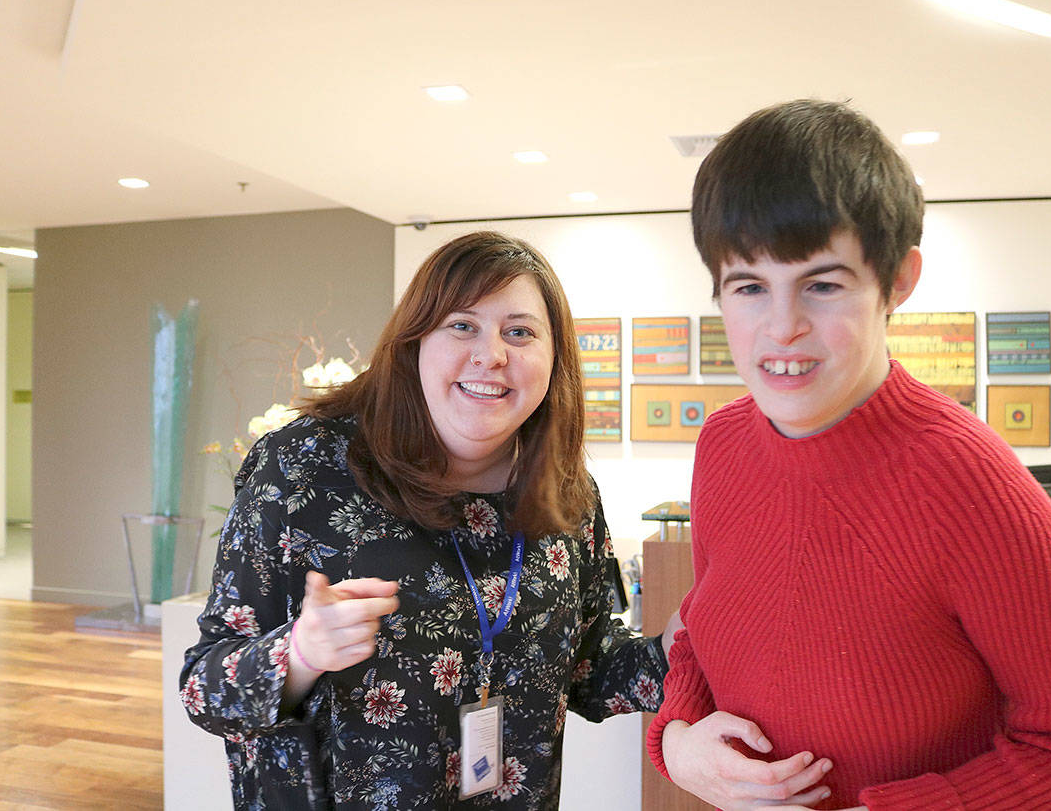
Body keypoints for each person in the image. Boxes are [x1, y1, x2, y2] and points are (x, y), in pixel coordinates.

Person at [646, 100, 1051, 810]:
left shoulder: (969, 478)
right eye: (749, 287)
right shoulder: (723, 442)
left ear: (897, 280)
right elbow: (704, 624)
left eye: (822, 284)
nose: (781, 327)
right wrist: (678, 738)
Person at [182, 231, 680, 809]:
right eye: (462, 325)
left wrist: (674, 650)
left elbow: (587, 667)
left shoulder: (565, 492)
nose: (491, 355)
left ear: (555, 360)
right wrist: (299, 653)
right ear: (414, 342)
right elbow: (204, 689)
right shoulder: (302, 468)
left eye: (519, 332)